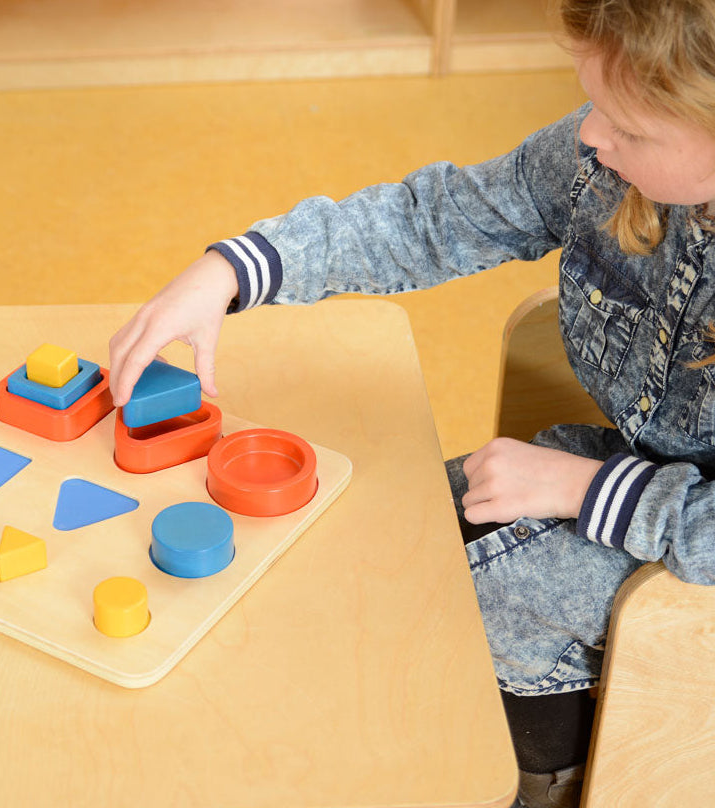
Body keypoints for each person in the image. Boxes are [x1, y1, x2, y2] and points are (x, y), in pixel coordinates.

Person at [109, 2, 715, 805]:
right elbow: (437, 219)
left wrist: (589, 489)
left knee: (444, 619)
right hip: (636, 481)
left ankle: (540, 782)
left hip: (686, 555)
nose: (591, 134)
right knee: (394, 535)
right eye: (593, 100)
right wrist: (236, 268)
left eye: (629, 128)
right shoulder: (597, 162)